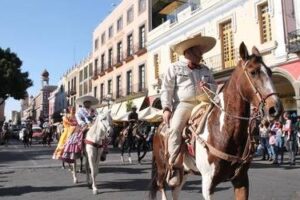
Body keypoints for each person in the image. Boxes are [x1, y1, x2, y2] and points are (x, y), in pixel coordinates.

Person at [161, 34, 217, 186]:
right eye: (198, 51)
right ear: (189, 52)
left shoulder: (206, 69)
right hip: (184, 104)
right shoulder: (174, 67)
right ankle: (173, 166)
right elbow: (166, 89)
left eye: (201, 51)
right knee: (174, 129)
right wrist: (166, 108)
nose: (201, 54)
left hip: (205, 102)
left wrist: (209, 87)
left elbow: (215, 87)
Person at [62, 95, 99, 163]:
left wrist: (94, 122)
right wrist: (83, 124)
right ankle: (77, 149)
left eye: (89, 102)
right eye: (86, 102)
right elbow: (78, 118)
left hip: (93, 125)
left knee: (101, 135)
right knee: (76, 136)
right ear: (84, 103)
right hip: (83, 126)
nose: (88, 104)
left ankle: (101, 150)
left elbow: (97, 117)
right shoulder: (80, 110)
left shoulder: (94, 110)